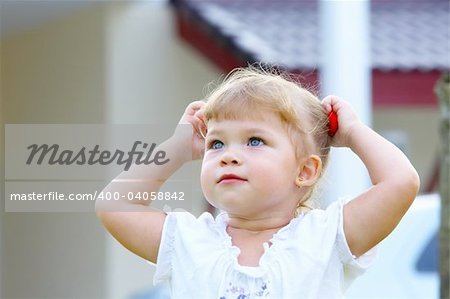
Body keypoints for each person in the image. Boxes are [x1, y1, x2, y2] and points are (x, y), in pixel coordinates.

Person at [95, 66, 420, 298]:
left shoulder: (327, 237)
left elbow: (400, 182)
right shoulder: (187, 241)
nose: (229, 156)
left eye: (254, 141)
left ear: (305, 171)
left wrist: (352, 132)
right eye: (216, 143)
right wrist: (178, 147)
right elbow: (114, 205)